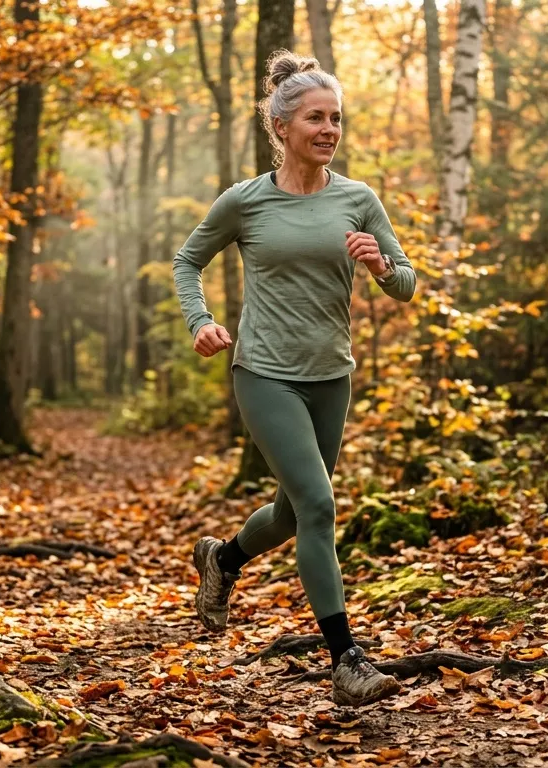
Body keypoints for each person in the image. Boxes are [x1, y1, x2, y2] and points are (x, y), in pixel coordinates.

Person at [172, 50, 417, 707]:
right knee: (318, 506)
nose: (329, 128)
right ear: (282, 126)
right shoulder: (246, 201)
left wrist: (384, 269)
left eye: (336, 117)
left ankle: (223, 560)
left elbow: (408, 285)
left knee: (291, 510)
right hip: (265, 374)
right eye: (315, 117)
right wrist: (200, 321)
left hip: (330, 374)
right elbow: (187, 259)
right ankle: (347, 660)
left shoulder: (359, 200)